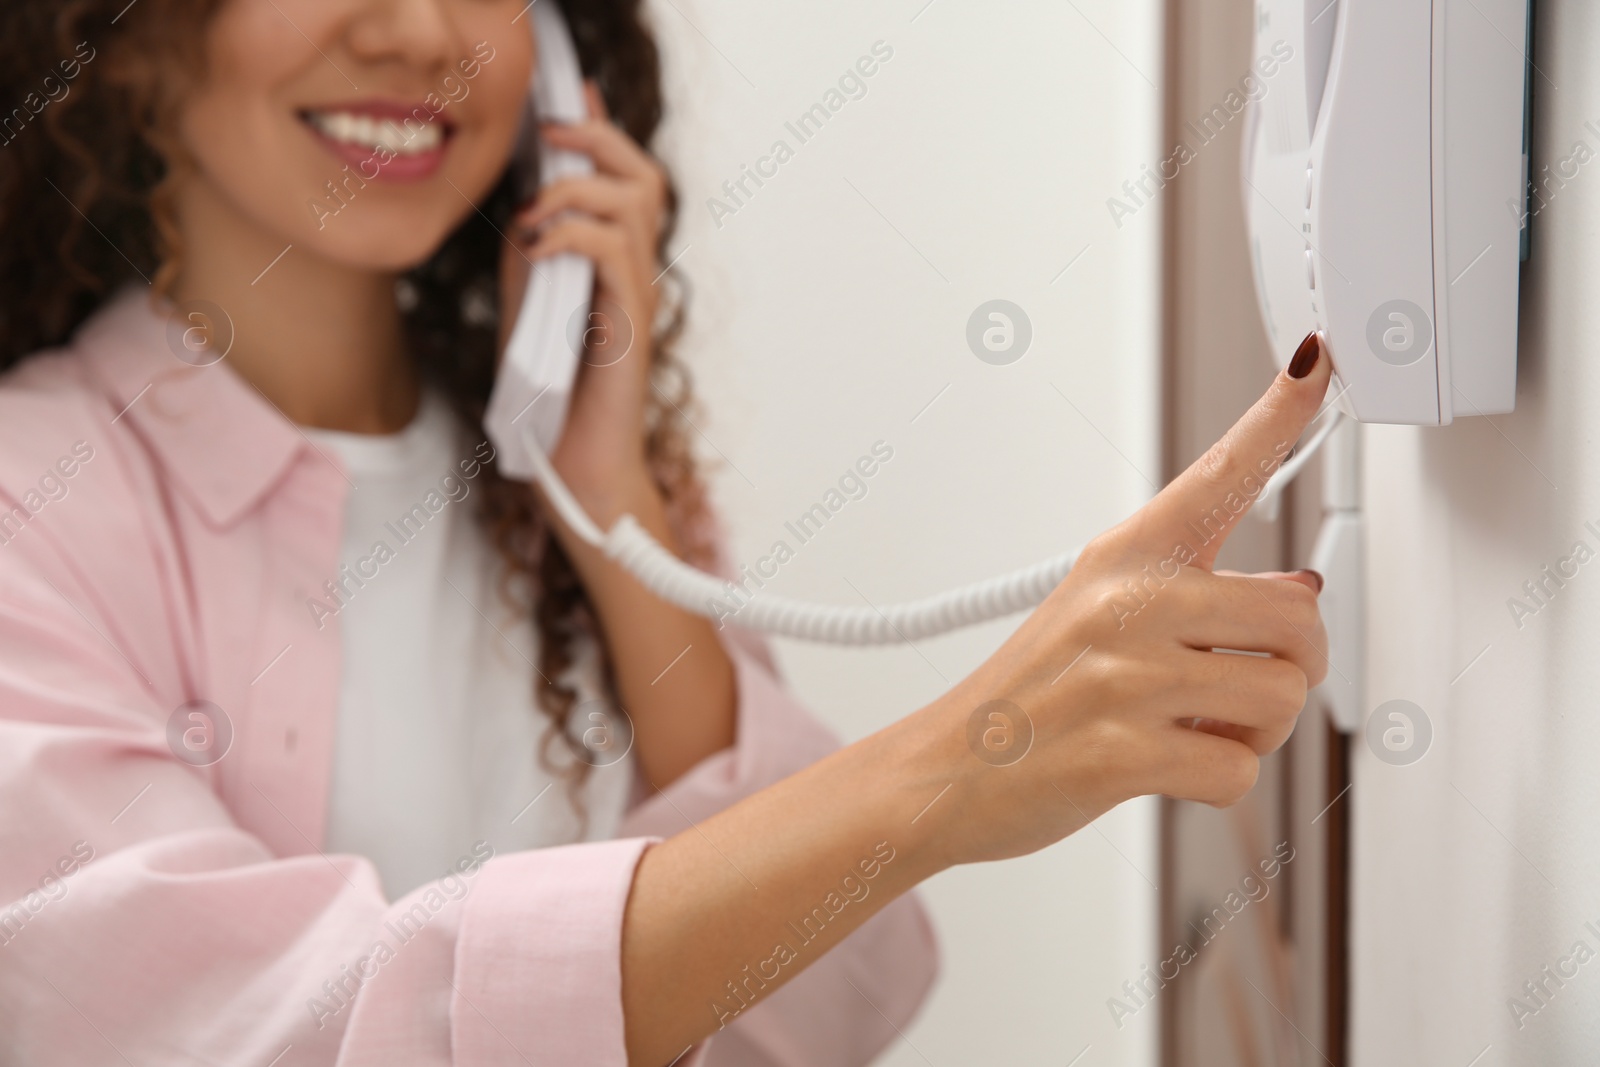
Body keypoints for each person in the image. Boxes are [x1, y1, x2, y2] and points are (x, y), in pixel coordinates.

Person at [0, 0, 1331, 1063]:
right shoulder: (29, 506)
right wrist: (961, 763)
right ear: (108, 38)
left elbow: (829, 1006)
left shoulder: (591, 496)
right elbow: (257, 1031)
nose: (415, 29)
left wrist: (615, 504)